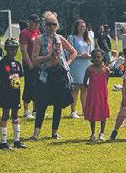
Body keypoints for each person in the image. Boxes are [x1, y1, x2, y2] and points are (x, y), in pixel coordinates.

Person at [30, 11, 77, 141]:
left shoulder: (60, 38)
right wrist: (48, 57)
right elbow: (34, 60)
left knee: (58, 104)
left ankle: (54, 132)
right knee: (41, 104)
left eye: (54, 24)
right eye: (48, 24)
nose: (51, 27)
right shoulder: (39, 39)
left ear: (57, 25)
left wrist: (67, 63)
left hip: (60, 75)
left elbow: (73, 52)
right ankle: (36, 133)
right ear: (44, 25)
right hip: (45, 75)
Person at [0, 38, 25, 150]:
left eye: (15, 48)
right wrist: (0, 92)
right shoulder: (2, 63)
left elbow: (19, 76)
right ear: (6, 49)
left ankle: (17, 140)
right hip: (5, 93)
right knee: (5, 114)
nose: (13, 51)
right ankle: (3, 142)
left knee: (15, 115)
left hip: (15, 93)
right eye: (11, 48)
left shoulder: (17, 64)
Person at [67, 19, 93, 118]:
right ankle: (73, 111)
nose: (82, 28)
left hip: (86, 65)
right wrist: (80, 56)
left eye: (83, 26)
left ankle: (85, 110)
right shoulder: (71, 38)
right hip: (76, 65)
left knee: (85, 88)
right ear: (76, 27)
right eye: (80, 26)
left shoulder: (88, 39)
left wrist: (88, 55)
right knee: (75, 88)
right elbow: (69, 53)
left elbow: (93, 52)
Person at [83, 48, 110, 141]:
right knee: (93, 112)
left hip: (103, 95)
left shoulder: (106, 69)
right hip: (92, 95)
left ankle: (102, 133)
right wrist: (91, 89)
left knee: (103, 112)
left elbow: (106, 81)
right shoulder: (89, 69)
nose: (96, 59)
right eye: (94, 57)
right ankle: (93, 133)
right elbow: (84, 82)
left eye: (98, 57)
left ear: (102, 57)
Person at [19, 13, 41, 119]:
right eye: (35, 22)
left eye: (38, 22)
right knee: (29, 86)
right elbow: (24, 50)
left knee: (38, 86)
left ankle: (36, 109)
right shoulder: (24, 33)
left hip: (38, 63)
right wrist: (30, 65)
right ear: (30, 22)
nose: (37, 24)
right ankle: (26, 110)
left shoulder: (37, 32)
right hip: (29, 64)